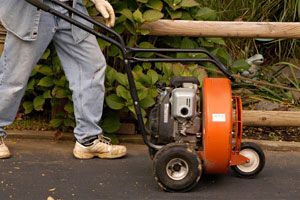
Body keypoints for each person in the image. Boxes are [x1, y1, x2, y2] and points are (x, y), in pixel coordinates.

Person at [0, 0, 127, 159]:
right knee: (13, 76)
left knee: (91, 66)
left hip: (70, 8)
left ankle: (87, 140)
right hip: (32, 9)